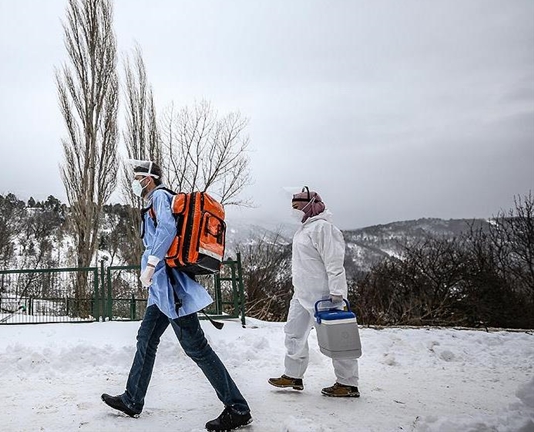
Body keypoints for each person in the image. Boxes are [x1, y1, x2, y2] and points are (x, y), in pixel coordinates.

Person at [102, 160, 253, 431]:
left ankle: (238, 408)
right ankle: (133, 399)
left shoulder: (159, 196)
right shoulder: (152, 202)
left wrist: (151, 264)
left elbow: (167, 229)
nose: (137, 183)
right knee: (146, 339)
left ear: (150, 178)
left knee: (196, 347)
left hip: (172, 289)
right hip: (161, 290)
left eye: (139, 178)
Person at [268, 187, 360, 398]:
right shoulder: (304, 228)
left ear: (310, 206)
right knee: (293, 333)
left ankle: (347, 383)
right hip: (302, 294)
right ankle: (293, 376)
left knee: (337, 337)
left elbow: (334, 262)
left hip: (325, 296)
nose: (294, 211)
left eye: (297, 206)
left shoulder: (324, 229)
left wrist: (337, 292)